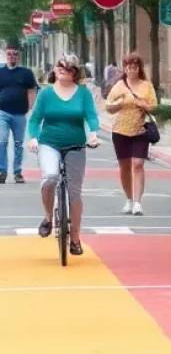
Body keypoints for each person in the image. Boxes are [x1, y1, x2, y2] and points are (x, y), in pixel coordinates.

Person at [25, 53, 100, 256]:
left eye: (67, 67)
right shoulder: (46, 94)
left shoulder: (82, 93)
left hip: (75, 144)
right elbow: (35, 119)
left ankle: (75, 238)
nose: (61, 69)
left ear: (74, 73)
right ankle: (49, 216)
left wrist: (93, 134)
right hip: (49, 142)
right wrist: (33, 138)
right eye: (59, 66)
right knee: (49, 177)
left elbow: (91, 115)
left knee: (75, 193)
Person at [105, 52, 158, 216]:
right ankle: (129, 199)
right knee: (125, 166)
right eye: (129, 67)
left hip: (140, 129)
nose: (132, 70)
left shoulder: (146, 86)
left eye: (135, 67)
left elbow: (154, 106)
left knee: (138, 164)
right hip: (120, 130)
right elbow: (108, 105)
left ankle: (137, 203)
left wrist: (144, 104)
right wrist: (120, 102)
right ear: (125, 68)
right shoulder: (119, 86)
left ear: (139, 68)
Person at [0, 44, 38, 184]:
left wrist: (30, 107)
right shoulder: (1, 72)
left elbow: (31, 91)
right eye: (9, 54)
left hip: (19, 114)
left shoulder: (26, 73)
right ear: (6, 54)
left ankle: (17, 172)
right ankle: (2, 171)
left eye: (15, 54)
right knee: (2, 142)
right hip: (2, 112)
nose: (12, 56)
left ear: (18, 55)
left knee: (18, 144)